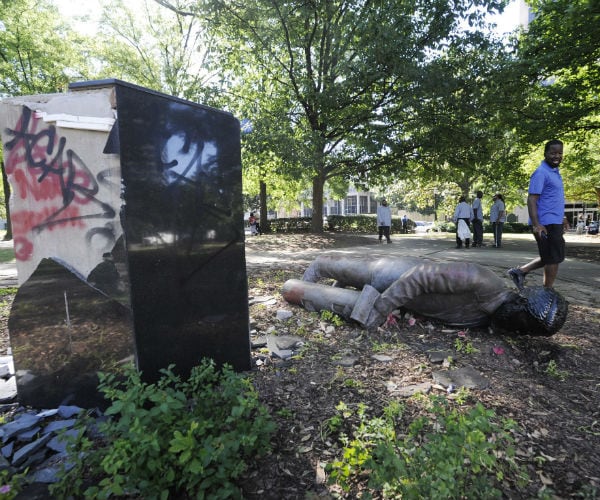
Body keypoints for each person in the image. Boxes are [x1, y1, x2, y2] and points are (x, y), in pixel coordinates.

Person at [283, 254, 568, 336]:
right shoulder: (483, 282)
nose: (519, 332)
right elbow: (419, 277)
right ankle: (308, 277)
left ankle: (299, 288)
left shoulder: (496, 316)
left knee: (315, 295)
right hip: (392, 275)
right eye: (522, 325)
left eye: (525, 331)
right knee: (333, 268)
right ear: (521, 302)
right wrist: (382, 309)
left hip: (403, 302)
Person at [508, 139, 565, 290]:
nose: (556, 156)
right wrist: (536, 224)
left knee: (551, 256)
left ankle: (520, 272)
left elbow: (554, 199)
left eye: (560, 153)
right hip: (545, 222)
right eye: (553, 153)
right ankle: (548, 290)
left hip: (554, 220)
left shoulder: (554, 172)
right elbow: (532, 199)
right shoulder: (541, 173)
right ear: (545, 153)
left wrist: (563, 217)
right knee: (553, 258)